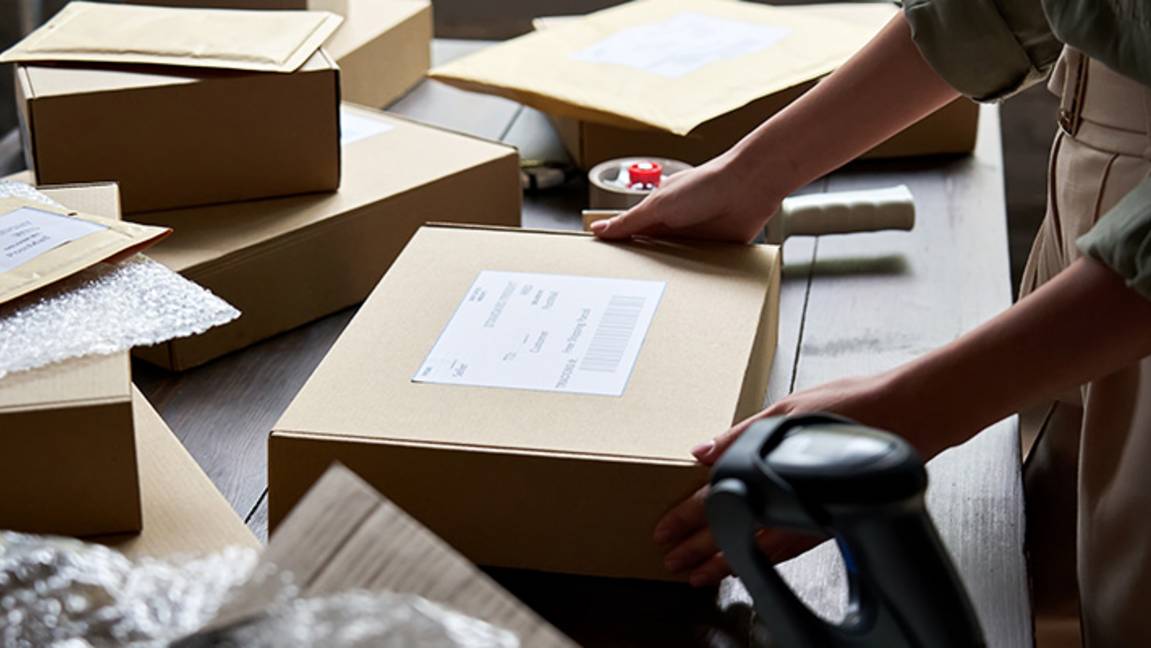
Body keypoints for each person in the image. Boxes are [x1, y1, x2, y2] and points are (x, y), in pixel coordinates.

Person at [590, 2, 1151, 645]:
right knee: (1069, 576)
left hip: (1131, 284)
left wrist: (914, 406)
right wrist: (752, 175)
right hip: (1096, 224)